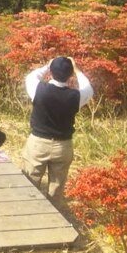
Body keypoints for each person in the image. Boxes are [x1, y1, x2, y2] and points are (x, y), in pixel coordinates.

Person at [23, 56, 94, 201]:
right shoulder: (75, 96)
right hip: (63, 146)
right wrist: (77, 70)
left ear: (51, 72)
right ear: (70, 74)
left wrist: (47, 66)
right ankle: (55, 216)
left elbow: (31, 76)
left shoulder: (38, 89)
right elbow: (89, 88)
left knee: (29, 184)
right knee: (56, 188)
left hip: (38, 143)